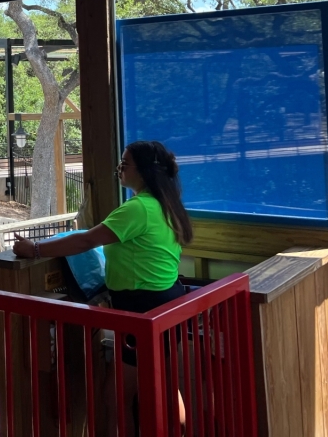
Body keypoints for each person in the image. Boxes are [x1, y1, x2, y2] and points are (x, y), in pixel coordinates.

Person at [13, 140, 194, 432]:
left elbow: (87, 240)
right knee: (163, 386)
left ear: (144, 171)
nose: (119, 169)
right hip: (166, 302)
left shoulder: (138, 208)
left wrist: (35, 249)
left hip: (142, 308)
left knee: (116, 396)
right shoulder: (165, 204)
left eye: (125, 163)